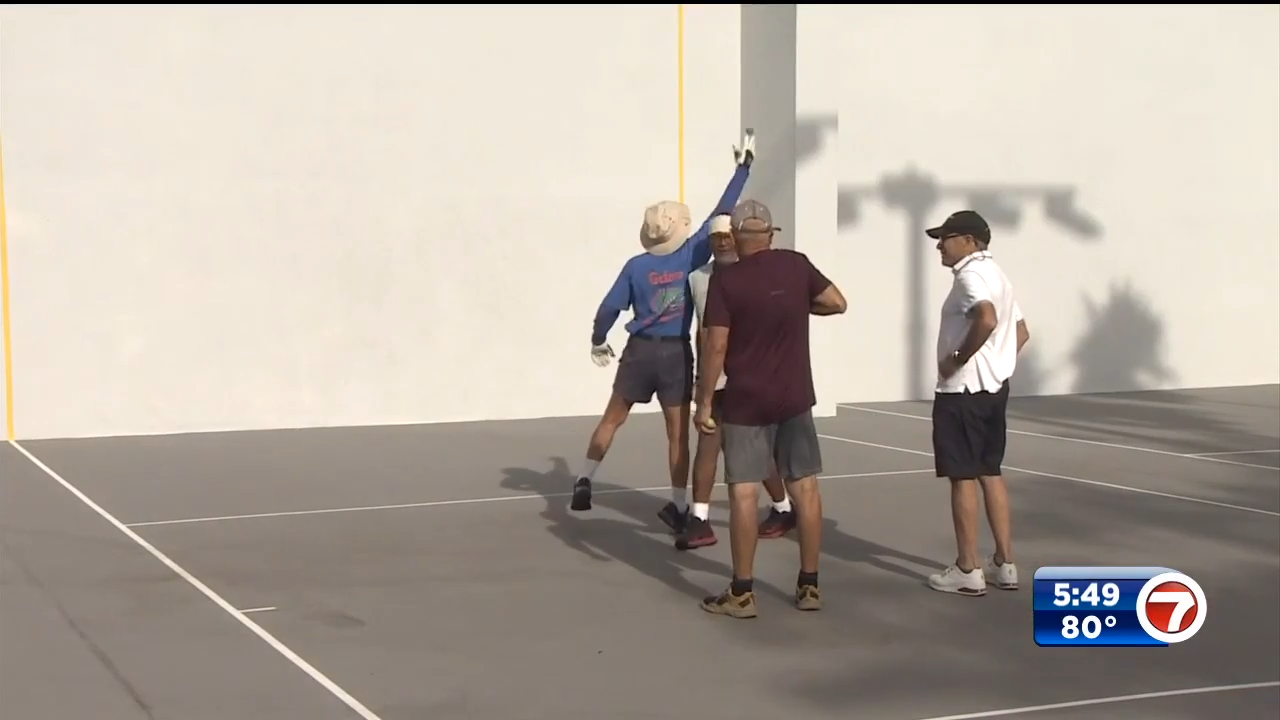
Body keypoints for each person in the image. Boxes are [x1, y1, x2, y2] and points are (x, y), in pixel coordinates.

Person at [570, 132, 756, 536]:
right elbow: (721, 212)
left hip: (638, 350)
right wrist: (743, 170)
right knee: (676, 434)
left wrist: (598, 338)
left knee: (612, 419)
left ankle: (584, 478)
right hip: (673, 353)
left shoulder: (636, 266)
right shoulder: (690, 254)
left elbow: (608, 308)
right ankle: (677, 505)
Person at [694, 200, 847, 618]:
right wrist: (799, 308)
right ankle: (809, 586)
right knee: (806, 488)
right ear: (771, 234)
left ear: (738, 240)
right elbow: (837, 302)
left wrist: (704, 400)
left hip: (745, 401)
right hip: (795, 396)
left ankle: (742, 593)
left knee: (744, 492)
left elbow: (716, 346)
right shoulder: (797, 267)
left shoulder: (726, 282)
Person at [924, 210, 1030, 597]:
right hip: (993, 391)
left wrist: (957, 360)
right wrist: (999, 367)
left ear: (969, 241)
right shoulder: (998, 275)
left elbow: (985, 319)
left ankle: (968, 567)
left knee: (962, 476)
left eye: (946, 238)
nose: (939, 245)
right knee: (990, 471)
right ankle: (1004, 563)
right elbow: (1020, 330)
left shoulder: (969, 276)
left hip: (963, 392)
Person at [676, 214, 795, 551]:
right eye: (718, 238)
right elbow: (703, 333)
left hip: (750, 378)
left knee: (753, 451)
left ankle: (783, 507)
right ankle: (700, 519)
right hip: (715, 379)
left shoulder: (756, 275)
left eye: (729, 236)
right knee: (709, 445)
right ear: (711, 243)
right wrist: (702, 380)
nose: (724, 242)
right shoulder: (698, 279)